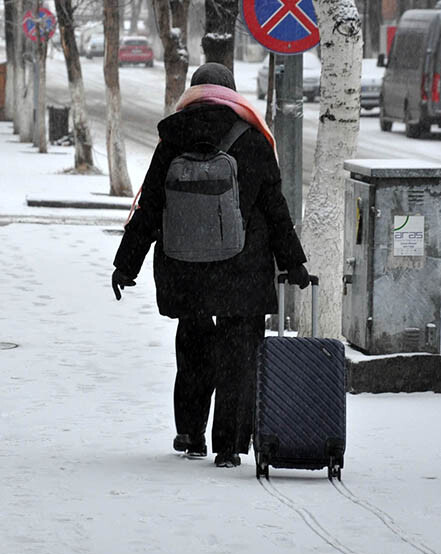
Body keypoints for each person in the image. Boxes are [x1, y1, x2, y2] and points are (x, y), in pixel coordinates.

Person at [111, 63, 310, 468]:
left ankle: (190, 433)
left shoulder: (173, 139)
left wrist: (125, 265)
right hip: (242, 270)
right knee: (240, 355)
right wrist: (293, 264)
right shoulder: (253, 140)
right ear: (232, 93)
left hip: (186, 269)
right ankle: (229, 445)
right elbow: (275, 210)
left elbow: (149, 208)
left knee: (194, 347)